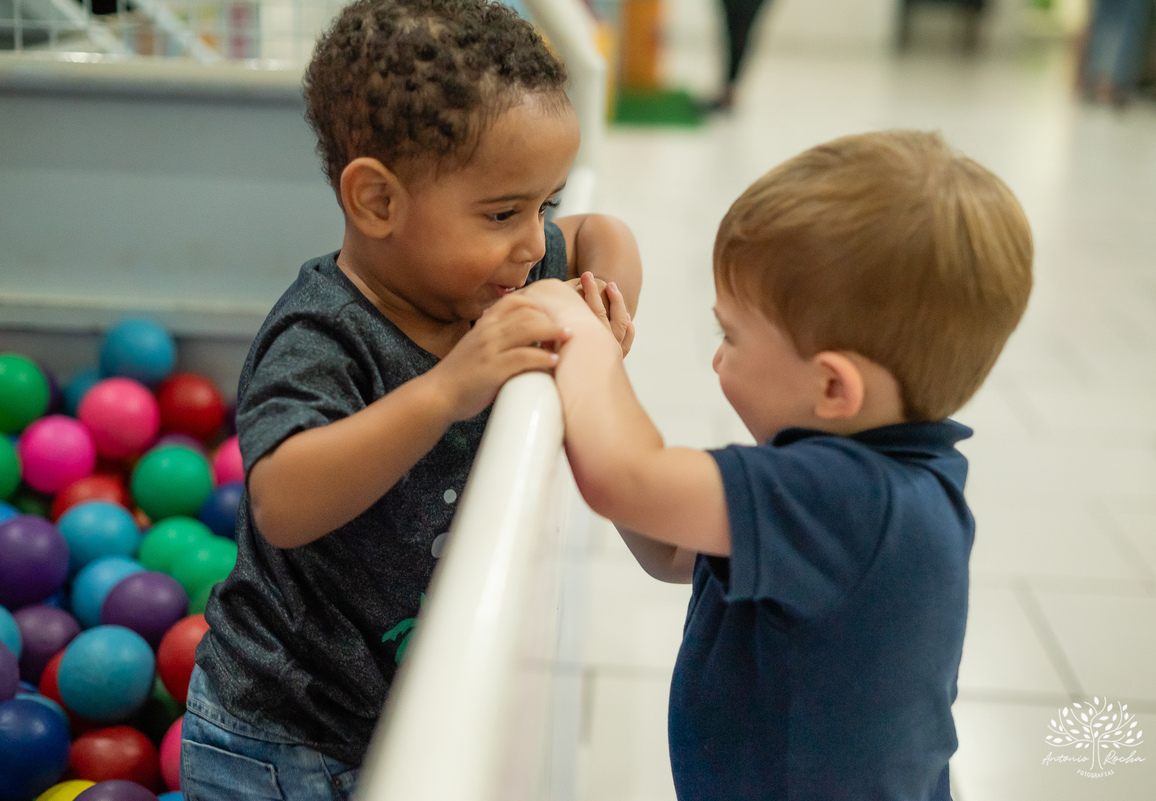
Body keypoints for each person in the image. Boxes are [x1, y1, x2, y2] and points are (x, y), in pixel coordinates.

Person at [180, 0, 641, 798]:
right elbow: (282, 502)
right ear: (377, 201)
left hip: (388, 712)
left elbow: (609, 234)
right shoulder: (322, 333)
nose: (535, 243)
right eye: (504, 212)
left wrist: (602, 301)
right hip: (281, 732)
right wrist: (447, 389)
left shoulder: (499, 266)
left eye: (546, 205)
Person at [524, 130, 1033, 800]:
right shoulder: (888, 474)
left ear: (831, 387)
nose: (717, 357)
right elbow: (673, 546)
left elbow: (629, 477)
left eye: (729, 334)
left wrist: (579, 337)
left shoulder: (850, 500)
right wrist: (596, 388)